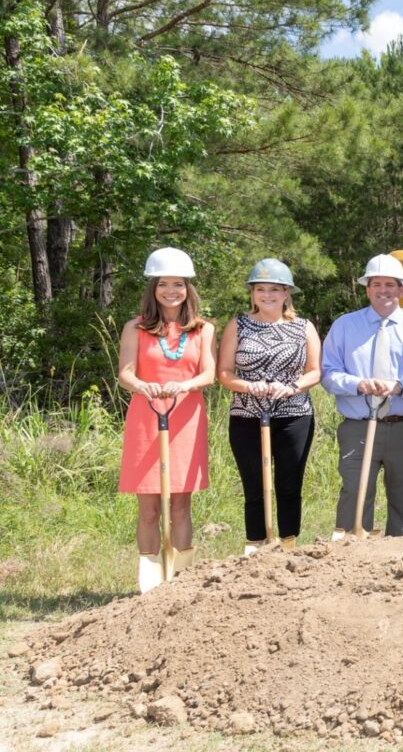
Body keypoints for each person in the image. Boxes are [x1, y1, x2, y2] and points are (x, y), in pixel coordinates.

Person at [117, 247, 216, 592]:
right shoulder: (136, 328)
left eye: (178, 284)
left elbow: (208, 375)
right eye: (163, 284)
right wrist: (144, 386)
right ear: (153, 288)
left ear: (188, 288)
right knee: (148, 507)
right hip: (147, 416)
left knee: (180, 505)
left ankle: (181, 580)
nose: (171, 291)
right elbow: (126, 374)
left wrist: (182, 385)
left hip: (186, 417)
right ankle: (149, 582)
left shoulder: (203, 329)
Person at [320, 254, 403, 538]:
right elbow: (328, 373)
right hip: (359, 425)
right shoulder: (345, 326)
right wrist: (358, 384)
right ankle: (351, 554)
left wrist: (400, 385)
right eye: (376, 284)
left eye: (390, 284)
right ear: (367, 289)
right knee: (355, 493)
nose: (383, 290)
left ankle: (398, 555)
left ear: (401, 289)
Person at [217, 259, 321, 554]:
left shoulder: (304, 327)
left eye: (275, 289)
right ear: (252, 292)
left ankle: (289, 547)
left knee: (289, 485)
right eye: (260, 289)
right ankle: (256, 547)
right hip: (247, 416)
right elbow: (224, 373)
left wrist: (290, 388)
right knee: (254, 488)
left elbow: (314, 372)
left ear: (287, 293)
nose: (267, 295)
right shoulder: (238, 325)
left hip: (293, 416)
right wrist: (249, 386)